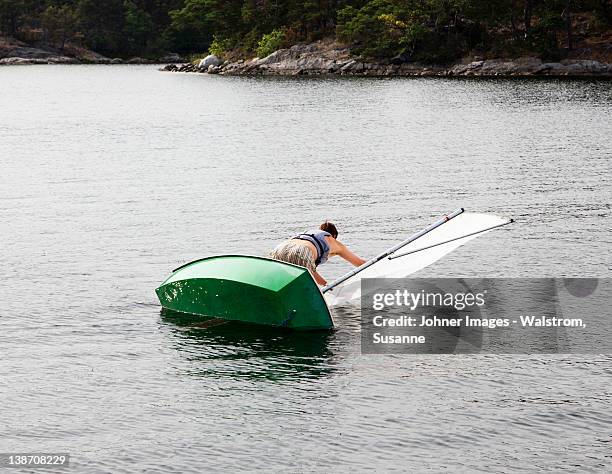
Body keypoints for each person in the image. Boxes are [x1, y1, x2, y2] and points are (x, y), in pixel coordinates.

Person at [268, 221, 366, 286]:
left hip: (279, 249)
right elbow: (360, 263)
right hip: (301, 251)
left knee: (281, 283)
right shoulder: (334, 242)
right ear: (334, 235)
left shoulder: (307, 233)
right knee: (319, 286)